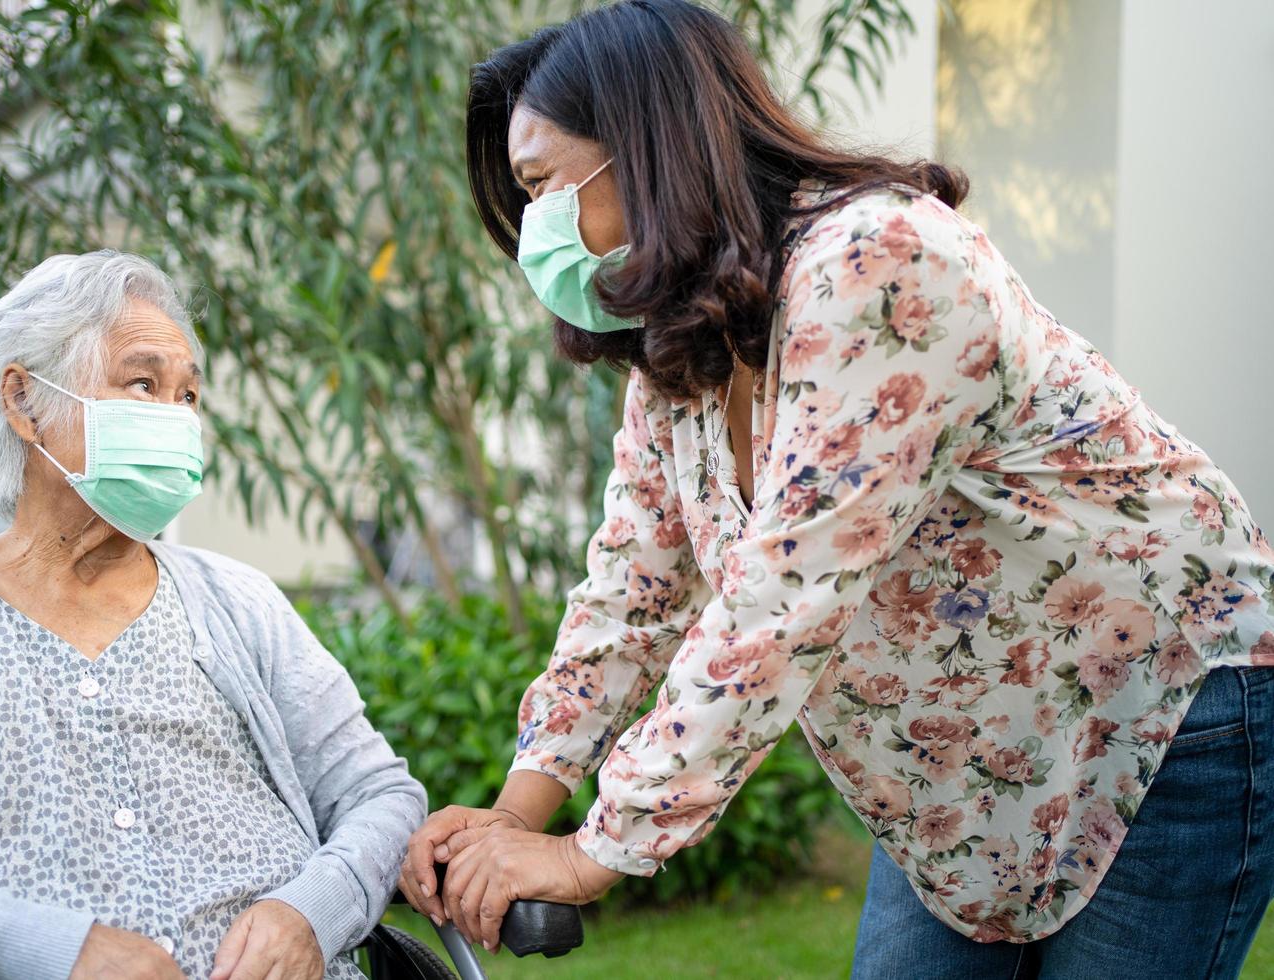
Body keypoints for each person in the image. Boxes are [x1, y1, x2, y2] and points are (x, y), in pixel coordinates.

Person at [398, 2, 1274, 976]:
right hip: (961, 763)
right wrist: (514, 814)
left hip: (1159, 706)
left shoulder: (877, 262)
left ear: (648, 151)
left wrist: (593, 849)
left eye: (543, 188)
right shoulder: (681, 356)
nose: (534, 232)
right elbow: (629, 596)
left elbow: (780, 601)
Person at [0, 251, 426, 980]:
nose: (174, 419)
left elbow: (380, 795)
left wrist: (311, 915)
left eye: (187, 396)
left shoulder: (239, 603)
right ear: (24, 401)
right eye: (142, 384)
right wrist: (40, 951)